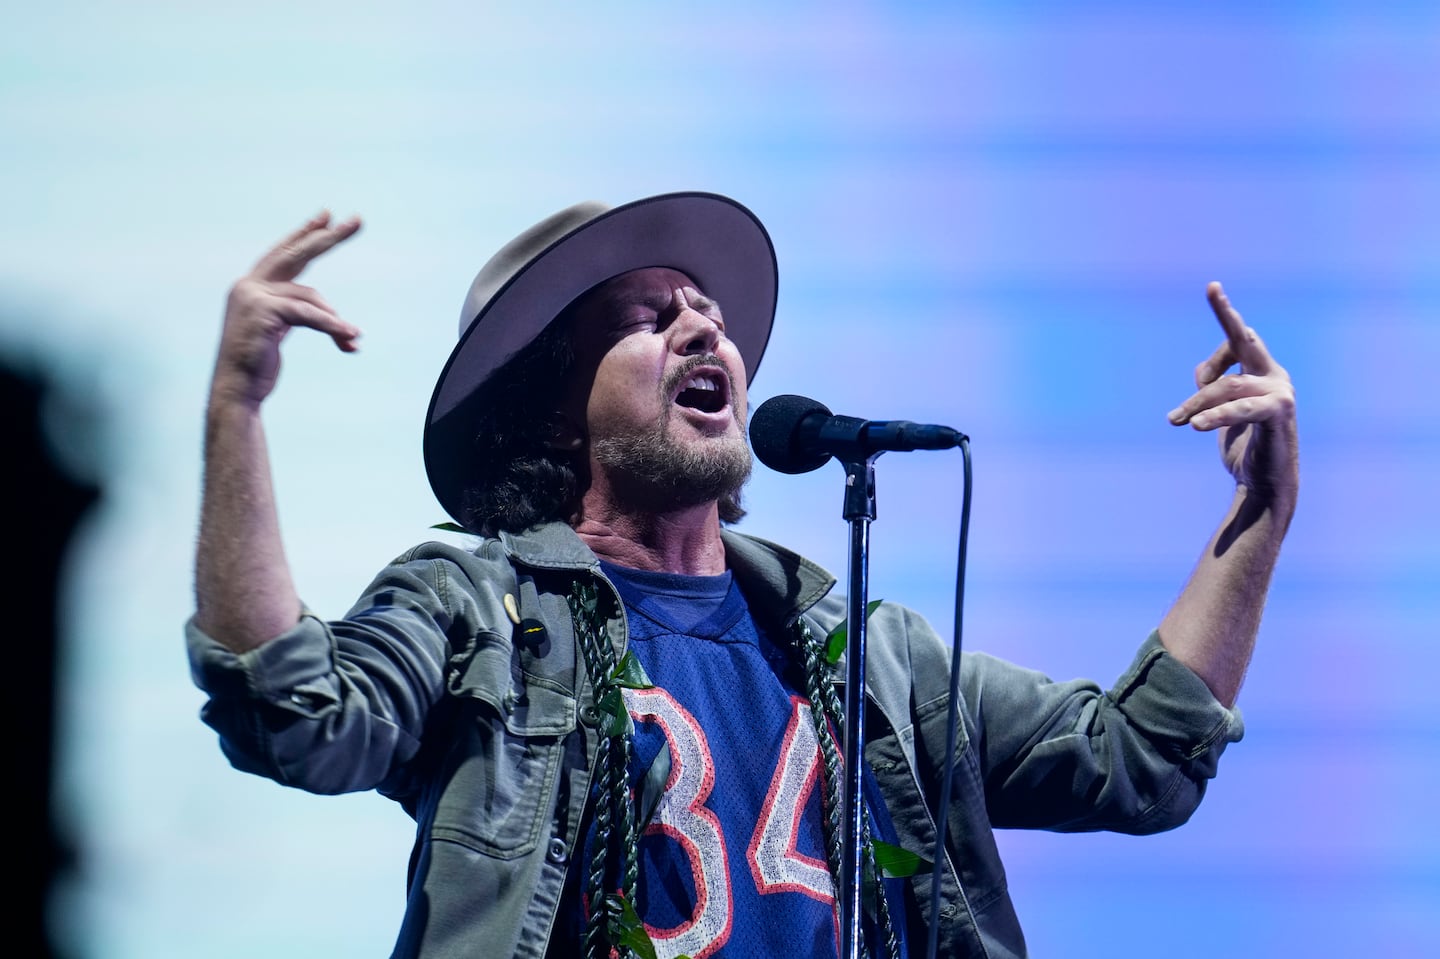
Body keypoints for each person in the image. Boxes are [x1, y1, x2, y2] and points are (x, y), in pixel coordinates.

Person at [187, 193, 1298, 959]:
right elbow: (293, 709)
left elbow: (1138, 759)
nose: (704, 330)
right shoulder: (479, 609)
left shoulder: (874, 658)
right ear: (551, 404)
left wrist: (1261, 515)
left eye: (710, 315)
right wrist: (237, 410)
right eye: (651, 317)